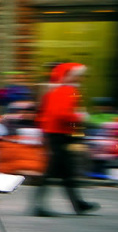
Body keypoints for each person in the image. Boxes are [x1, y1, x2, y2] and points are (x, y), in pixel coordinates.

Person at [33, 62, 99, 217]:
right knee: (55, 172)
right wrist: (80, 117)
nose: (82, 78)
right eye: (80, 75)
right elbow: (62, 114)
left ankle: (77, 204)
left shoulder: (55, 91)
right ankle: (41, 205)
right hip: (60, 135)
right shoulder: (68, 91)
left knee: (64, 172)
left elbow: (46, 114)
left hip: (54, 133)